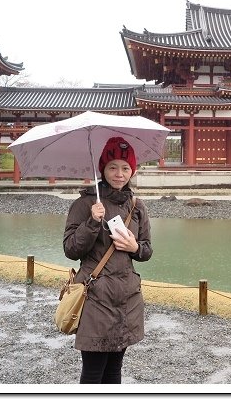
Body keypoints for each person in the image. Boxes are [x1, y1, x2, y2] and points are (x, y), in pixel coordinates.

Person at [63, 136, 153, 384]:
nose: (119, 174)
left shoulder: (137, 206)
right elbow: (71, 249)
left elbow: (146, 250)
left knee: (115, 370)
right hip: (96, 298)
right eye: (113, 167)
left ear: (132, 171)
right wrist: (92, 222)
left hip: (127, 297)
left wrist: (135, 247)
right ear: (102, 169)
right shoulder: (85, 204)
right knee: (92, 372)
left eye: (126, 168)